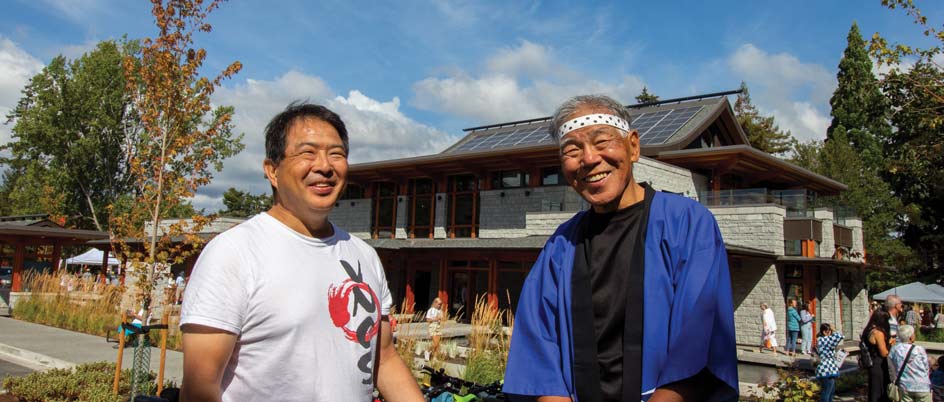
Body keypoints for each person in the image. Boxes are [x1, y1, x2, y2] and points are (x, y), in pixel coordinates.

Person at [179, 103, 423, 402]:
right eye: (308, 152)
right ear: (272, 170)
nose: (324, 166)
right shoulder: (234, 253)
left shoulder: (364, 256)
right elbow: (200, 387)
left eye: (336, 154)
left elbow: (385, 360)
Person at [503, 95, 738, 402]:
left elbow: (699, 340)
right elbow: (538, 351)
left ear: (634, 147)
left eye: (602, 142)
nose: (588, 159)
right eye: (572, 151)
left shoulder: (687, 224)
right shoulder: (560, 246)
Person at [889, 325, 932, 402]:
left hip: (904, 385)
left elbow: (892, 366)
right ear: (911, 337)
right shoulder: (919, 349)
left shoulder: (894, 349)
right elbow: (926, 367)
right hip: (921, 385)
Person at [863, 309, 893, 402]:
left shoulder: (868, 329)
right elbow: (883, 352)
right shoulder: (878, 333)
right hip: (879, 364)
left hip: (872, 363)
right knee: (879, 391)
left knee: (874, 390)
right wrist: (890, 344)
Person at [814, 324, 844, 402]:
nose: (831, 333)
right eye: (829, 331)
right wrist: (834, 329)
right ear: (824, 332)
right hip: (826, 369)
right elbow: (839, 336)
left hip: (828, 368)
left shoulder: (822, 340)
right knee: (827, 391)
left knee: (831, 391)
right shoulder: (824, 340)